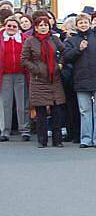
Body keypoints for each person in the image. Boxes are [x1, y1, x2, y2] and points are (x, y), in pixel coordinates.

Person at [62, 12, 96, 148]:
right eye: (80, 23)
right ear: (77, 25)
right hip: (81, 79)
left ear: (90, 23)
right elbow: (66, 57)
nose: (83, 25)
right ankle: (85, 139)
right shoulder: (72, 40)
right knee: (84, 110)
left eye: (85, 22)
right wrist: (78, 50)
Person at [21, 14, 65, 147]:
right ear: (36, 27)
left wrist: (60, 65)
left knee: (57, 111)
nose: (43, 27)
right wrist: (36, 69)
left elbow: (64, 52)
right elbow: (24, 59)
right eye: (41, 25)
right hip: (38, 80)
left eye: (45, 25)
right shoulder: (30, 41)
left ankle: (57, 140)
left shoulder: (54, 39)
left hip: (54, 79)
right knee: (41, 113)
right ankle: (42, 140)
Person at [0, 16, 30, 141]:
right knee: (5, 104)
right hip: (5, 74)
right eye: (9, 26)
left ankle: (25, 130)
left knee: (22, 103)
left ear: (18, 28)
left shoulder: (25, 39)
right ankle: (4, 131)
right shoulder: (1, 39)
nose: (11, 28)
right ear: (5, 26)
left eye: (14, 26)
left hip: (21, 74)